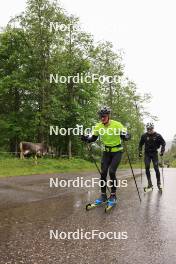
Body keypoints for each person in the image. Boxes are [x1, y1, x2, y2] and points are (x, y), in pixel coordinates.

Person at [81, 106, 130, 207]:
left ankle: (113, 195)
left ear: (108, 116)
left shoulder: (117, 124)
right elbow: (93, 138)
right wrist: (86, 138)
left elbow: (127, 134)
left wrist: (126, 136)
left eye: (104, 116)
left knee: (112, 172)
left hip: (117, 152)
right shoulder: (98, 126)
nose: (102, 118)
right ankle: (103, 195)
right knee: (103, 173)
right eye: (100, 116)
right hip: (106, 152)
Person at [139, 122, 166, 190]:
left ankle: (159, 184)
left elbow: (163, 143)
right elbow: (140, 144)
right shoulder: (144, 136)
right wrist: (140, 152)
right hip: (147, 154)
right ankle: (149, 183)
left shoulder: (158, 135)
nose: (149, 130)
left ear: (153, 128)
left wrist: (162, 151)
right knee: (147, 166)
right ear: (147, 129)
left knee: (156, 168)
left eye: (151, 129)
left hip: (154, 154)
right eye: (148, 129)